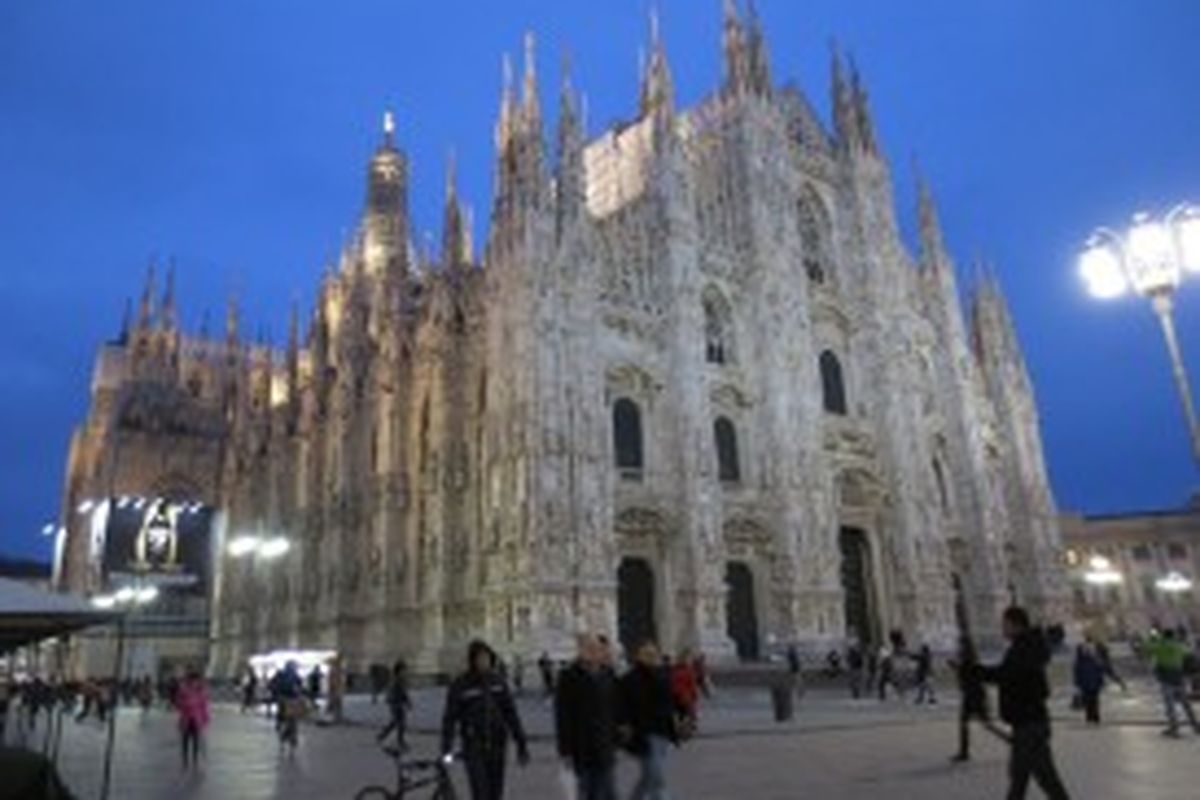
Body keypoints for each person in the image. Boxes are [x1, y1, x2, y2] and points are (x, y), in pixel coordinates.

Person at [979, 607, 1070, 800]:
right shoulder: (1027, 645)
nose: (1002, 629)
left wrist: (972, 671)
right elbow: (1009, 674)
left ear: (1015, 625)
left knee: (1022, 778)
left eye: (1004, 625)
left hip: (1029, 724)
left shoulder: (1024, 648)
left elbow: (1005, 675)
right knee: (1042, 777)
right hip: (1031, 721)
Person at [442, 639, 530, 800]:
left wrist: (521, 743)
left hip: (497, 744)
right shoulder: (461, 685)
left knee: (496, 793)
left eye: (487, 658)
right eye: (480, 658)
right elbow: (449, 719)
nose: (484, 662)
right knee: (481, 793)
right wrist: (446, 748)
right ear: (472, 660)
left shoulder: (498, 682)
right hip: (473, 746)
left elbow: (511, 714)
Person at [556, 633, 619, 800]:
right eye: (588, 648)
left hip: (604, 744)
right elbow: (562, 714)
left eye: (597, 648)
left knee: (609, 792)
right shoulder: (568, 676)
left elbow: (616, 707)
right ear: (580, 651)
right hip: (581, 746)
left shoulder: (608, 673)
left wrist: (619, 733)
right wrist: (565, 749)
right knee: (588, 791)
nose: (593, 652)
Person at [619, 640, 681, 800]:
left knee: (649, 775)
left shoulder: (662, 674)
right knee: (657, 775)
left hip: (663, 732)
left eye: (653, 654)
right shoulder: (629, 679)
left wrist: (682, 716)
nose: (651, 657)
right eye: (647, 654)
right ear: (638, 656)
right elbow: (622, 706)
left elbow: (672, 699)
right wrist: (624, 727)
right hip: (643, 734)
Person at [950, 635, 1006, 762]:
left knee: (985, 723)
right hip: (971, 695)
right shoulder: (968, 658)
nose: (958, 647)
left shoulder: (969, 659)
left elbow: (968, 673)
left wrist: (956, 667)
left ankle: (1010, 740)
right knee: (968, 723)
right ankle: (963, 751)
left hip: (974, 695)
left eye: (960, 644)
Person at [1145, 628, 1200, 737]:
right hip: (1178, 678)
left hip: (1166, 679)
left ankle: (1174, 728)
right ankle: (1195, 726)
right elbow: (1190, 654)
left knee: (1170, 705)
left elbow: (1147, 649)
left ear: (1163, 636)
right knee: (1186, 704)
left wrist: (1153, 637)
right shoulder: (1179, 646)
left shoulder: (1159, 646)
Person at [175, 668, 210, 770]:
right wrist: (186, 704)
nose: (195, 682)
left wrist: (205, 720)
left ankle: (195, 760)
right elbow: (178, 704)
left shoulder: (201, 691)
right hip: (186, 719)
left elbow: (204, 706)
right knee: (185, 741)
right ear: (189, 680)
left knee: (196, 741)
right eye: (193, 680)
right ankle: (185, 760)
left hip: (197, 720)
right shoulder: (183, 690)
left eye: (196, 680)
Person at [269, 660, 306, 754]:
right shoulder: (291, 676)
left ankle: (287, 735)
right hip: (289, 699)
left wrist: (275, 694)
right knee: (290, 719)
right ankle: (290, 737)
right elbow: (301, 687)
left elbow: (272, 685)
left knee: (288, 718)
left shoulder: (283, 675)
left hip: (287, 699)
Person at [377, 659, 412, 750]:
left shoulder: (397, 679)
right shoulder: (398, 680)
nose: (405, 672)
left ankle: (382, 736)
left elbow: (401, 692)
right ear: (399, 670)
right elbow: (403, 692)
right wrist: (408, 702)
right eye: (404, 670)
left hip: (395, 703)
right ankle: (400, 741)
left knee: (395, 722)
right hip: (397, 704)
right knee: (401, 723)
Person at [1072, 641, 1105, 725]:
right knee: (1090, 700)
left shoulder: (1084, 661)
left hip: (1089, 683)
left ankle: (1093, 716)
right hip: (1088, 683)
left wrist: (1100, 680)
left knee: (1092, 700)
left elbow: (1099, 671)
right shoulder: (1086, 661)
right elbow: (1077, 673)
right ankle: (1092, 716)